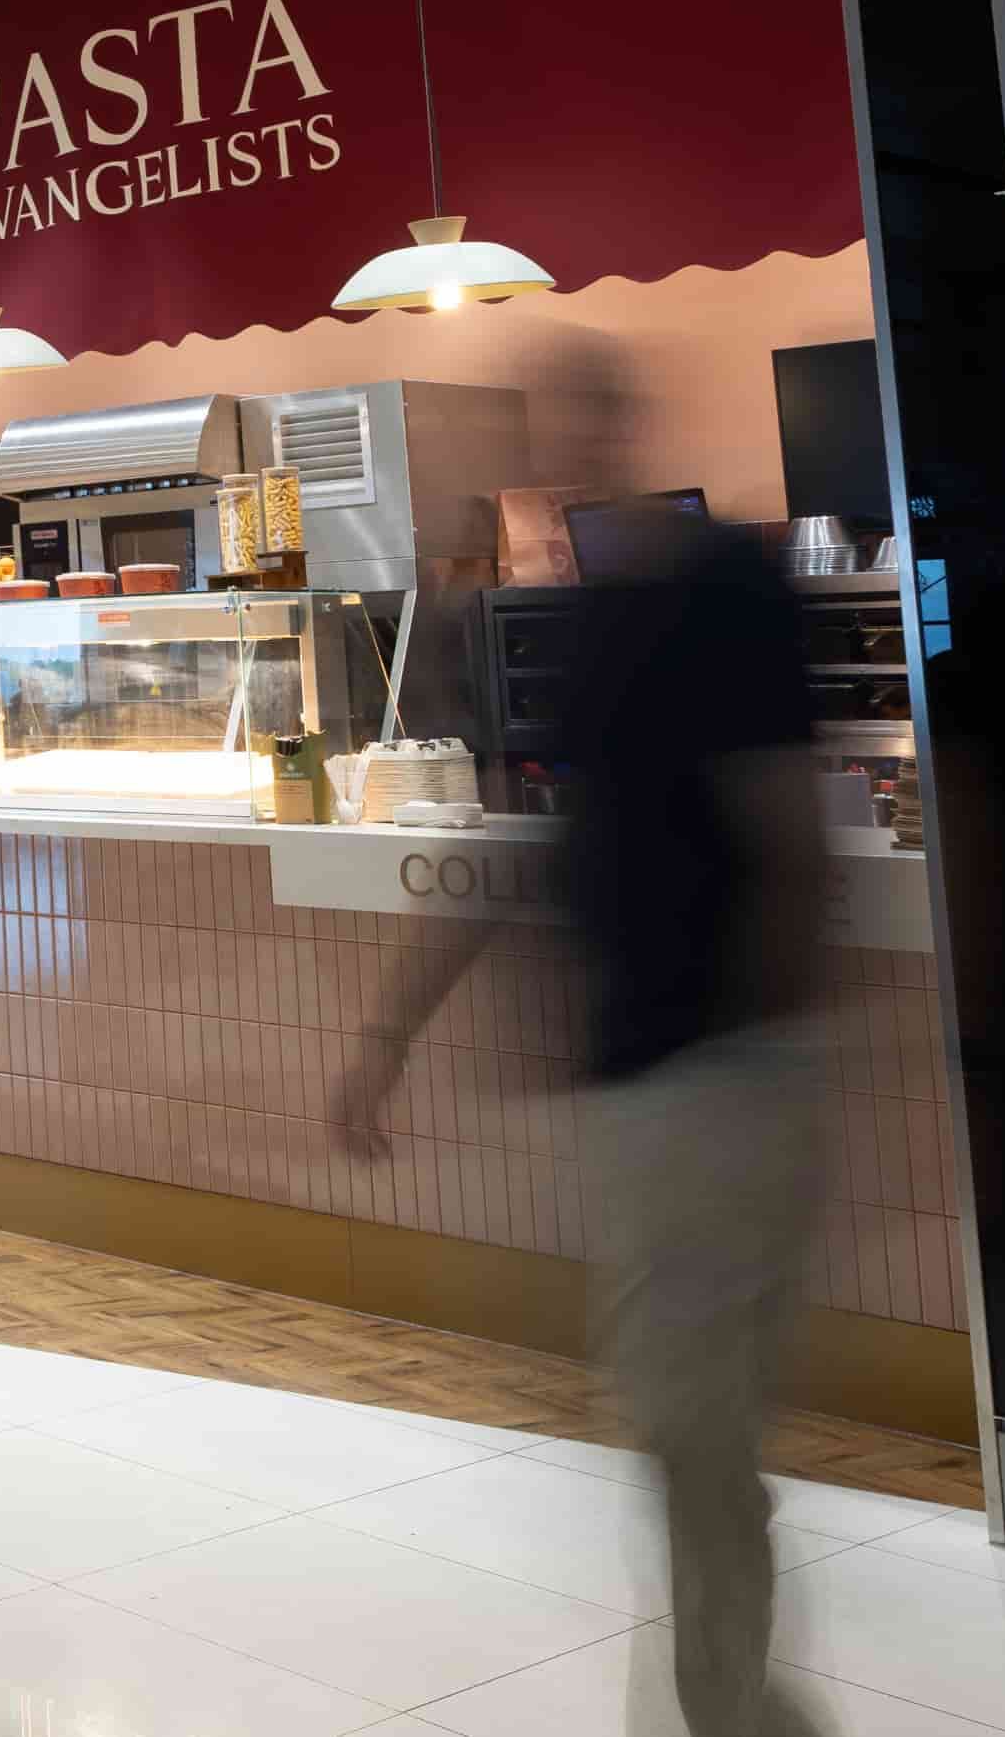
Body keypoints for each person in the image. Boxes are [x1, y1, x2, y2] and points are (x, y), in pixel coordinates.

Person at [338, 512, 829, 1737]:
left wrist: (755, 1062)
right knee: (686, 1434)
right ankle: (732, 1705)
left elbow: (791, 845)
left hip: (706, 1090)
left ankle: (727, 1711)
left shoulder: (722, 593)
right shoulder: (612, 631)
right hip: (658, 1094)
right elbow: (527, 857)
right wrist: (386, 1038)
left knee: (689, 1433)